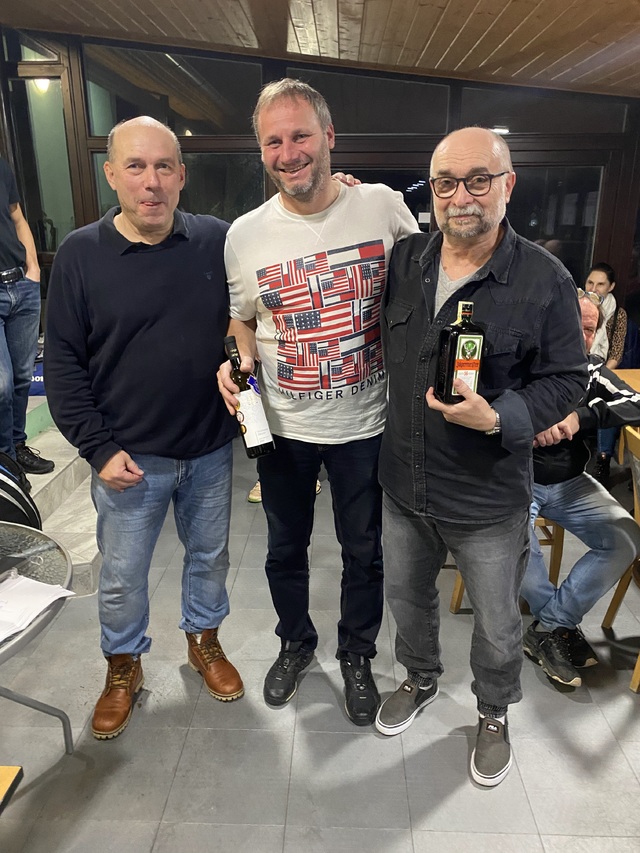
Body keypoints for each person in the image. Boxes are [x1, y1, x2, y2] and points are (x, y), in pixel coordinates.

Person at [375, 127, 588, 786]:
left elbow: (567, 379)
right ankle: (420, 677)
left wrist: (499, 417)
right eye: (446, 182)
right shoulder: (406, 260)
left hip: (487, 498)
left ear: (508, 185)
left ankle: (493, 711)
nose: (460, 196)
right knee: (406, 599)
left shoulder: (544, 279)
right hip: (403, 483)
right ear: (432, 190)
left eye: (478, 180)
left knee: (497, 624)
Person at [218, 78, 419, 726]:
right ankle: (296, 643)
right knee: (285, 549)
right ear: (261, 150)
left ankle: (356, 654)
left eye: (300, 135)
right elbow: (241, 320)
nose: (288, 152)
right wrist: (237, 364)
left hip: (367, 424)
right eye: (273, 141)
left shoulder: (383, 208)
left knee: (364, 551)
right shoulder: (244, 235)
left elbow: (424, 290)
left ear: (329, 136)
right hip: (281, 428)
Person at [45, 116, 243, 741]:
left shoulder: (216, 240)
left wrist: (339, 191)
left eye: (163, 167)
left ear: (182, 175)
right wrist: (97, 448)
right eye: (135, 166)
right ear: (111, 174)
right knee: (123, 576)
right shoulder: (81, 254)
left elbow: (255, 301)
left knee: (210, 557)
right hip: (127, 460)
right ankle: (123, 665)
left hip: (209, 449)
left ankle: (204, 640)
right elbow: (63, 364)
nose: (150, 181)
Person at [522, 289, 640, 686]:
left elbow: (636, 402)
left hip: (571, 481)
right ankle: (557, 628)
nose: (582, 336)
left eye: (589, 329)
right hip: (516, 481)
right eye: (575, 325)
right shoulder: (521, 364)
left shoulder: (591, 369)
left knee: (626, 538)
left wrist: (581, 417)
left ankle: (549, 626)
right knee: (512, 547)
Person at [0, 156, 54, 485]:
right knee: (2, 385)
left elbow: (17, 217)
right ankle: (6, 462)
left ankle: (17, 446)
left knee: (22, 377)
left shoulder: (1, 165)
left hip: (20, 284)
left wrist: (33, 269)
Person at [584, 263, 627, 486]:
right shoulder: (577, 306)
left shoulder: (618, 314)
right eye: (590, 282)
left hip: (602, 366)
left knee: (608, 399)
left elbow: (616, 354)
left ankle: (603, 460)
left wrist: (599, 374)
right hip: (576, 363)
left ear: (611, 287)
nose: (594, 289)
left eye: (600, 284)